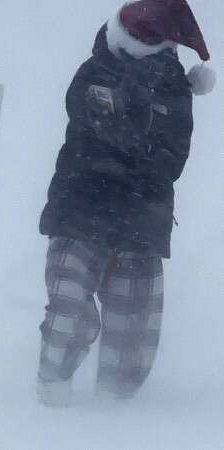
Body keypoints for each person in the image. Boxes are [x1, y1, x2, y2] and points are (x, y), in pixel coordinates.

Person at [36, 0, 215, 407]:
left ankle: (119, 420)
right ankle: (49, 402)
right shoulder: (92, 72)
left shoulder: (174, 90)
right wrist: (134, 105)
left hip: (142, 221)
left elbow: (169, 161)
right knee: (67, 309)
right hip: (79, 211)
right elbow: (94, 129)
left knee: (132, 334)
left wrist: (142, 111)